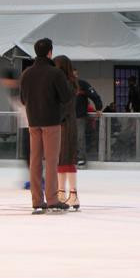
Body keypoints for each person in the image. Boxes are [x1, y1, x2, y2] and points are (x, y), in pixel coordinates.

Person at [20, 38, 73, 213]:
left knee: (35, 160)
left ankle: (36, 200)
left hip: (33, 121)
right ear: (50, 52)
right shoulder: (55, 73)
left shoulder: (26, 73)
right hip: (51, 121)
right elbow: (66, 97)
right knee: (51, 160)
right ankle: (51, 199)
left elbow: (22, 99)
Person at [55, 56, 80, 210]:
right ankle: (64, 193)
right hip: (68, 123)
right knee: (64, 160)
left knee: (65, 159)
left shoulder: (65, 84)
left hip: (64, 124)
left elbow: (62, 106)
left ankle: (71, 194)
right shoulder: (72, 82)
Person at [0, 69, 31, 184]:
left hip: (31, 125)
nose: (3, 83)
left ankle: (37, 178)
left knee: (31, 153)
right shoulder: (14, 90)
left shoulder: (21, 89)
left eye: (4, 80)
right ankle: (34, 177)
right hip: (25, 124)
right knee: (28, 154)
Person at [73, 68, 102, 167]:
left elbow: (94, 95)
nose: (74, 77)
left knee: (80, 137)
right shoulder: (64, 84)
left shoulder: (82, 84)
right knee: (67, 138)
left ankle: (81, 158)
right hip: (66, 117)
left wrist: (98, 107)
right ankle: (70, 157)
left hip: (79, 115)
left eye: (76, 75)